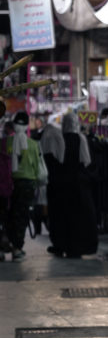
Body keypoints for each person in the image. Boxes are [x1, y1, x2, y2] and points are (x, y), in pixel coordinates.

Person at [40, 113, 98, 258]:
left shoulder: (57, 138)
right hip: (78, 185)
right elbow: (85, 161)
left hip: (60, 185)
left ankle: (61, 244)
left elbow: (55, 160)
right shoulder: (81, 139)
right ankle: (77, 247)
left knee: (60, 216)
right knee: (79, 217)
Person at [1, 112, 41, 261]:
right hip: (26, 185)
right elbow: (36, 167)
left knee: (6, 216)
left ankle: (4, 246)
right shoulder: (32, 144)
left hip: (7, 185)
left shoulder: (5, 143)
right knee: (21, 217)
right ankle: (17, 249)